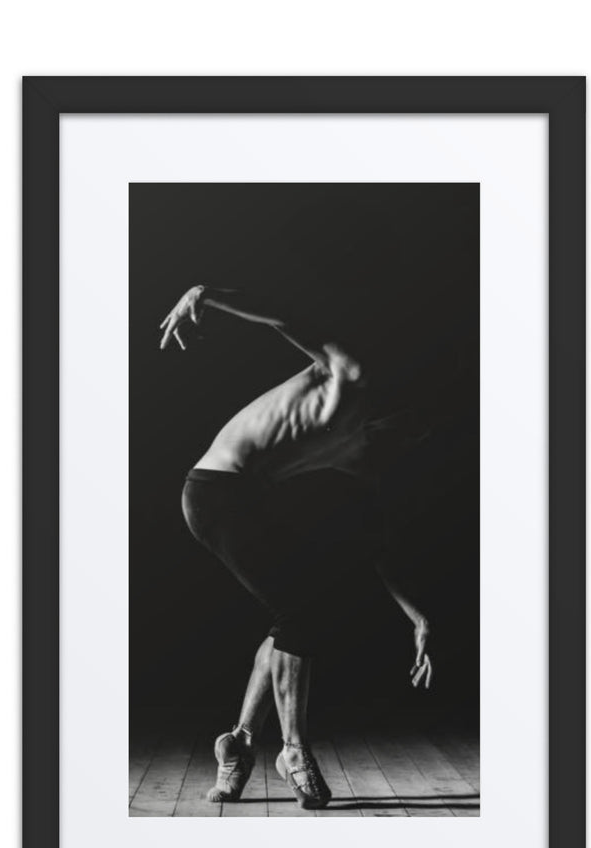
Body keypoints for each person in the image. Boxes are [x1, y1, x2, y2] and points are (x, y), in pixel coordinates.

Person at [161, 284, 435, 809]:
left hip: (248, 500)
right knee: (303, 614)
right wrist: (207, 294)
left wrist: (416, 616)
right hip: (214, 489)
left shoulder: (363, 453)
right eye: (413, 426)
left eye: (419, 438)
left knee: (301, 615)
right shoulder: (347, 373)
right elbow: (285, 314)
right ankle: (293, 750)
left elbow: (374, 543)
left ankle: (239, 745)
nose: (412, 439)